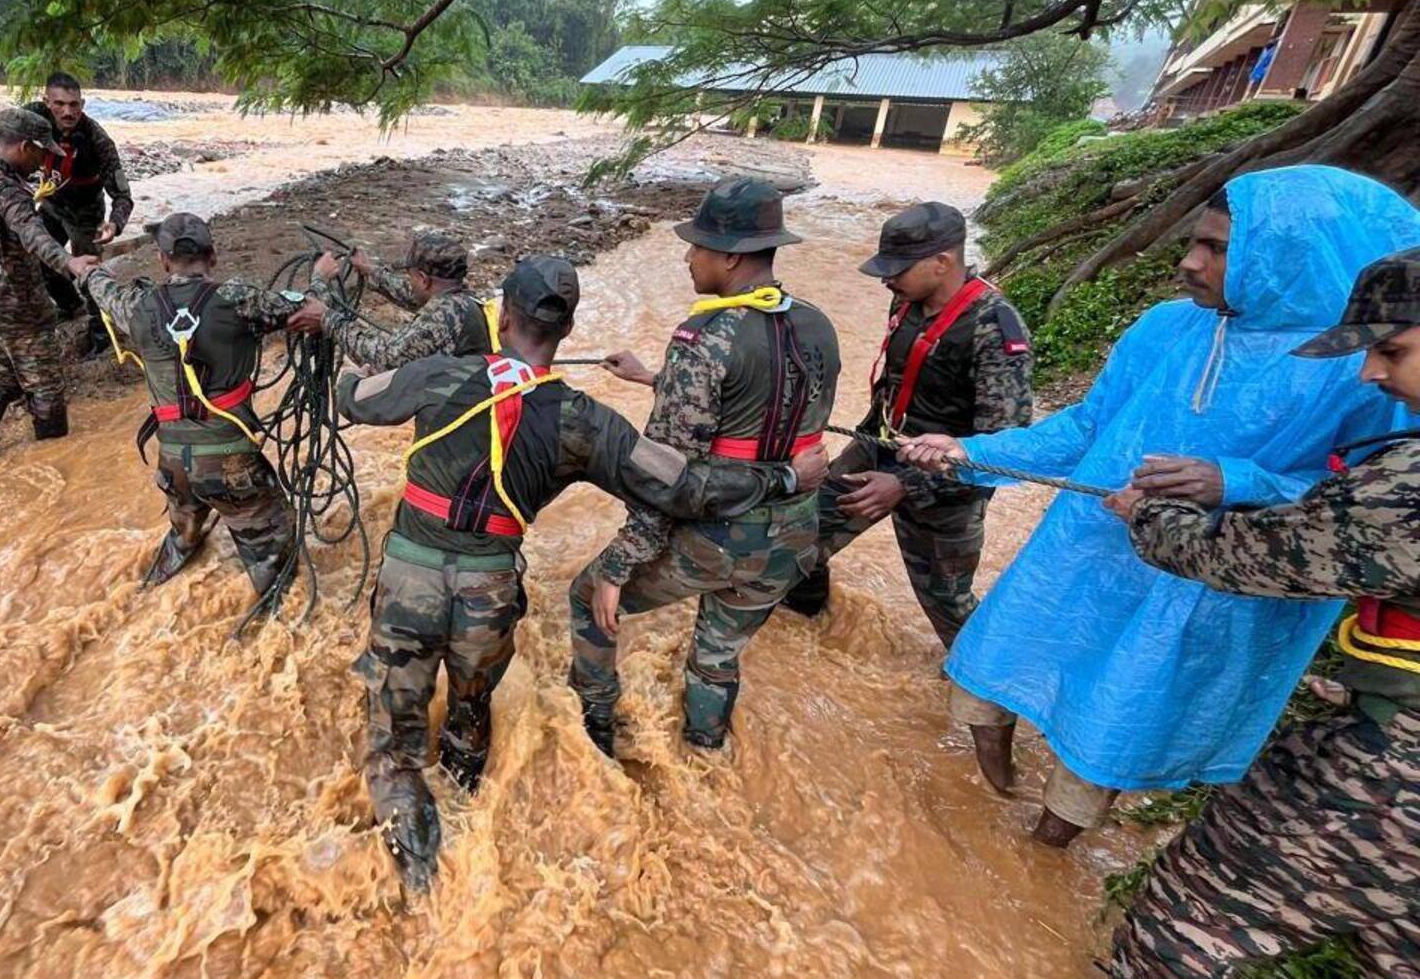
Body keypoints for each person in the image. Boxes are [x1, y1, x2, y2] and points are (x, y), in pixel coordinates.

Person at [898, 166, 1420, 847]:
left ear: (1290, 254)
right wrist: (968, 450)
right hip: (1089, 539)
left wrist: (1232, 478)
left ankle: (1044, 845)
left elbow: (1355, 509)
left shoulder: (1364, 366)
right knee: (1001, 658)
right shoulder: (1166, 327)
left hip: (1207, 582)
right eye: (1194, 242)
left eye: (1217, 249)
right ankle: (991, 787)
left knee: (1121, 716)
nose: (1189, 262)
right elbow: (1085, 429)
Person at [335, 256, 828, 890]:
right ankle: (469, 809)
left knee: (392, 740)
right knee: (469, 715)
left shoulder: (435, 376)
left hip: (409, 582)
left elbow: (357, 399)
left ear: (502, 316)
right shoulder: (584, 420)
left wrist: (349, 370)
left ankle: (418, 870)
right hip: (488, 595)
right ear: (565, 333)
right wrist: (785, 476)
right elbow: (679, 485)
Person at [1102, 247, 1420, 979]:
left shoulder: (1404, 488)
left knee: (1188, 926)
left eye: (1392, 350)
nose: (1371, 374)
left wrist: (1152, 515)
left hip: (1392, 776)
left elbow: (1247, 558)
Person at [569, 177, 840, 754]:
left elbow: (664, 473)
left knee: (585, 596)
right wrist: (653, 378)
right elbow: (767, 411)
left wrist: (619, 565)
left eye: (698, 247)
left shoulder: (702, 337)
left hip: (722, 537)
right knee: (717, 654)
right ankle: (704, 749)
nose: (690, 257)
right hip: (792, 536)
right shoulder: (818, 323)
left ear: (733, 256)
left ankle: (592, 729)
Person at [782, 203, 1032, 657]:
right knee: (800, 535)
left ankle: (983, 687)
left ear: (943, 263)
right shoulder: (906, 299)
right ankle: (804, 633)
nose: (886, 279)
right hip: (880, 445)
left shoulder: (993, 326)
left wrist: (904, 484)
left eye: (897, 268)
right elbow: (894, 384)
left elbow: (1005, 445)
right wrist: (860, 443)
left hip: (946, 487)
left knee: (946, 600)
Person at [80, 212, 324, 594]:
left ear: (162, 260)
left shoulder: (138, 306)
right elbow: (308, 310)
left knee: (183, 535)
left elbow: (102, 290)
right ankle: (267, 626)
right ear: (213, 257)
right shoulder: (239, 299)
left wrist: (86, 270)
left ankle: (147, 590)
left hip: (174, 464)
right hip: (231, 465)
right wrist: (322, 276)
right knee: (277, 565)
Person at [0, 109, 99, 467]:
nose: (44, 164)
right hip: (13, 307)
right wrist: (71, 263)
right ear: (26, 146)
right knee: (45, 388)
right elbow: (33, 234)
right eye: (42, 155)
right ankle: (55, 459)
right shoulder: (8, 190)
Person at [24, 71, 132, 351]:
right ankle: (70, 305)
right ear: (46, 101)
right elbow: (2, 135)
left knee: (89, 273)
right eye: (59, 104)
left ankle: (102, 334)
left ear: (82, 105)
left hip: (86, 214)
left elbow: (122, 195)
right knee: (38, 260)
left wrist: (114, 225)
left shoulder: (98, 141)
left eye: (74, 105)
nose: (67, 111)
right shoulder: (34, 118)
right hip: (51, 204)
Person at [315, 232, 494, 368]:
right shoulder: (461, 299)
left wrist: (326, 316)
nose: (410, 282)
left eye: (411, 277)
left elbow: (383, 357)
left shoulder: (441, 319)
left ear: (424, 279)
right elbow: (413, 294)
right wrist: (371, 271)